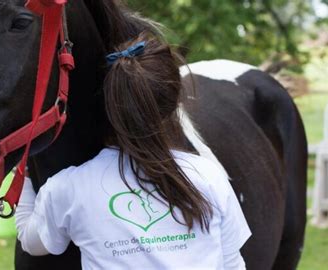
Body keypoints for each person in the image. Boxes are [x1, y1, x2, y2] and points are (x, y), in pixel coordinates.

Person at [15, 32, 251, 269]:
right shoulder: (208, 176)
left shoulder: (68, 189)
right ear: (173, 102)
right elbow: (232, 262)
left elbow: (31, 241)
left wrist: (22, 170)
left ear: (108, 101)